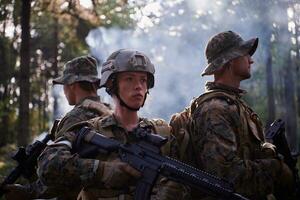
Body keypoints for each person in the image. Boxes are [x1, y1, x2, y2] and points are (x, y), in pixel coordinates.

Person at [36, 49, 185, 200]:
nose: (138, 86)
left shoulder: (161, 134)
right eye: (129, 79)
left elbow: (185, 183)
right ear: (112, 85)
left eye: (143, 80)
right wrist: (101, 170)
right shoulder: (88, 131)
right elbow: (48, 165)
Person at [170, 31, 294, 199]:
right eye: (245, 54)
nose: (251, 60)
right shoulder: (215, 109)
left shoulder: (232, 105)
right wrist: (276, 170)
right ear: (229, 61)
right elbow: (226, 177)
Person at [4, 55, 111, 200]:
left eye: (64, 85)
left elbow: (63, 171)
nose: (64, 91)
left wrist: (29, 192)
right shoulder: (109, 112)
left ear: (72, 85)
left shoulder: (76, 117)